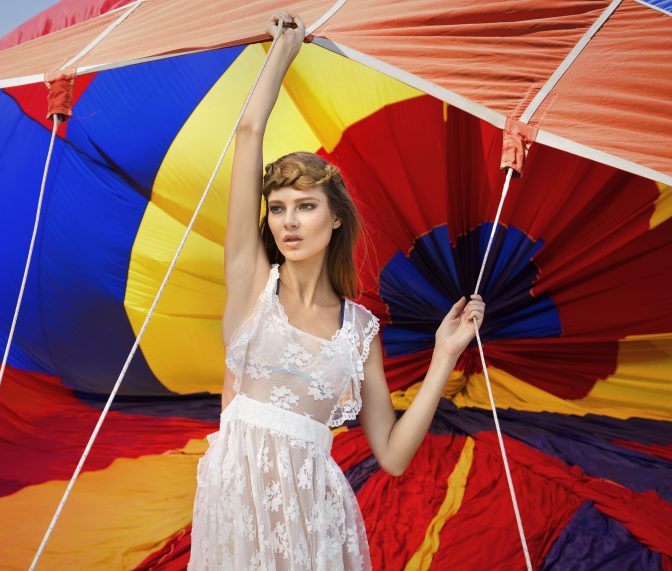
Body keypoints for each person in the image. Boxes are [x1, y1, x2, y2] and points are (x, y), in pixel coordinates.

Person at [188, 10, 485, 570]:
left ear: (335, 218)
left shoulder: (359, 330)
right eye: (278, 208)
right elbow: (248, 135)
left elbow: (392, 456)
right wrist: (284, 51)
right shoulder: (251, 284)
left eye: (305, 206)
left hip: (314, 522)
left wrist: (445, 355)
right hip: (236, 518)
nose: (289, 221)